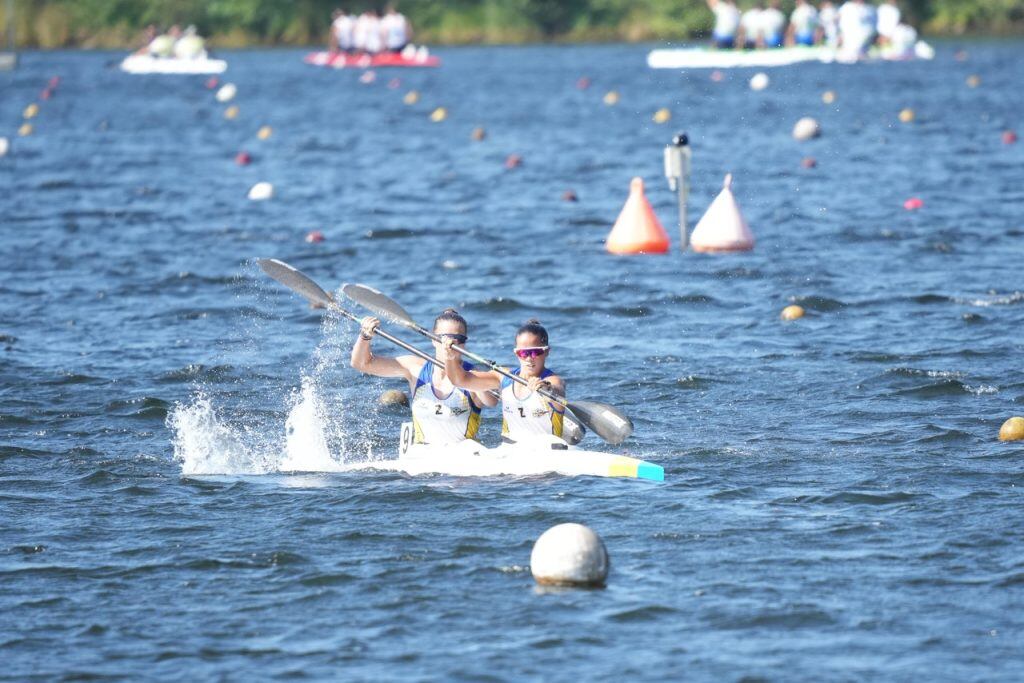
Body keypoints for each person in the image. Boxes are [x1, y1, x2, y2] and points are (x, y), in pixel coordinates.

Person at [352, 309, 496, 446]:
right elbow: (361, 364)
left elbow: (492, 402)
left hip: (463, 458)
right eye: (443, 338)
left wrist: (453, 363)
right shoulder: (415, 368)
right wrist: (365, 337)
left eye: (457, 339)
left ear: (464, 343)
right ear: (433, 340)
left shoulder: (474, 376)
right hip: (423, 457)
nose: (450, 344)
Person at [443, 319, 566, 444]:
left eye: (535, 352)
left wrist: (546, 388)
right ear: (516, 353)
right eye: (523, 353)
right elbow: (459, 380)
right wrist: (449, 357)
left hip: (547, 452)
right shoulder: (504, 377)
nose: (529, 358)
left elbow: (558, 390)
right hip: (510, 451)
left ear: (546, 352)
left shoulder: (552, 380)